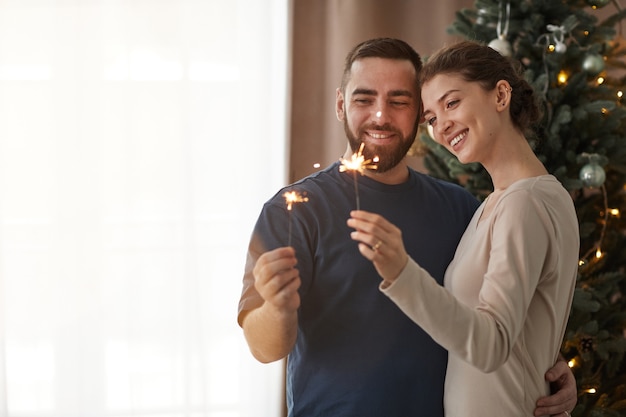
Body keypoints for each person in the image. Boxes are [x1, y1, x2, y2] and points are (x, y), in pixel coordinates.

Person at [238, 37, 577, 417]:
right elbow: (263, 347)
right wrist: (279, 308)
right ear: (340, 104)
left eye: (399, 101)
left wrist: (548, 365)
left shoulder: (462, 207)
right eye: (364, 99)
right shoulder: (293, 212)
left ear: (418, 114)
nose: (380, 116)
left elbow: (494, 311)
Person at [347, 40, 579, 416]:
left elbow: (492, 344)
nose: (442, 127)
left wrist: (401, 274)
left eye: (452, 103)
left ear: (501, 94)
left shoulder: (525, 203)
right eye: (432, 119)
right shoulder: (496, 204)